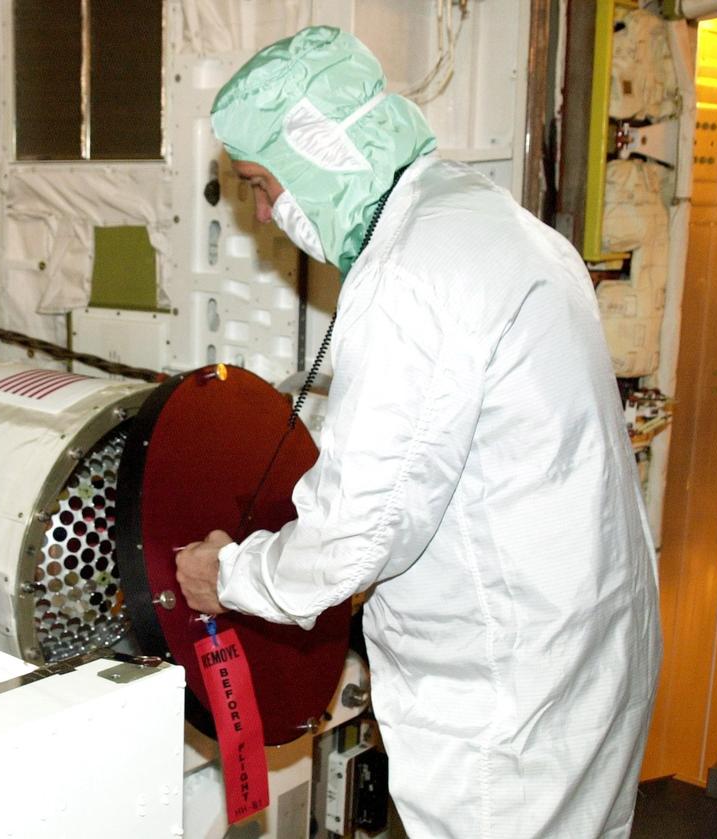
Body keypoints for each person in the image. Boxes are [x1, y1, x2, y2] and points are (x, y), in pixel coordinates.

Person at [174, 26, 662, 838]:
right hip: (588, 657)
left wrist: (227, 574)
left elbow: (352, 538)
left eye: (262, 183)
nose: (262, 210)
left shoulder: (409, 275)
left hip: (507, 707)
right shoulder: (485, 218)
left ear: (319, 149)